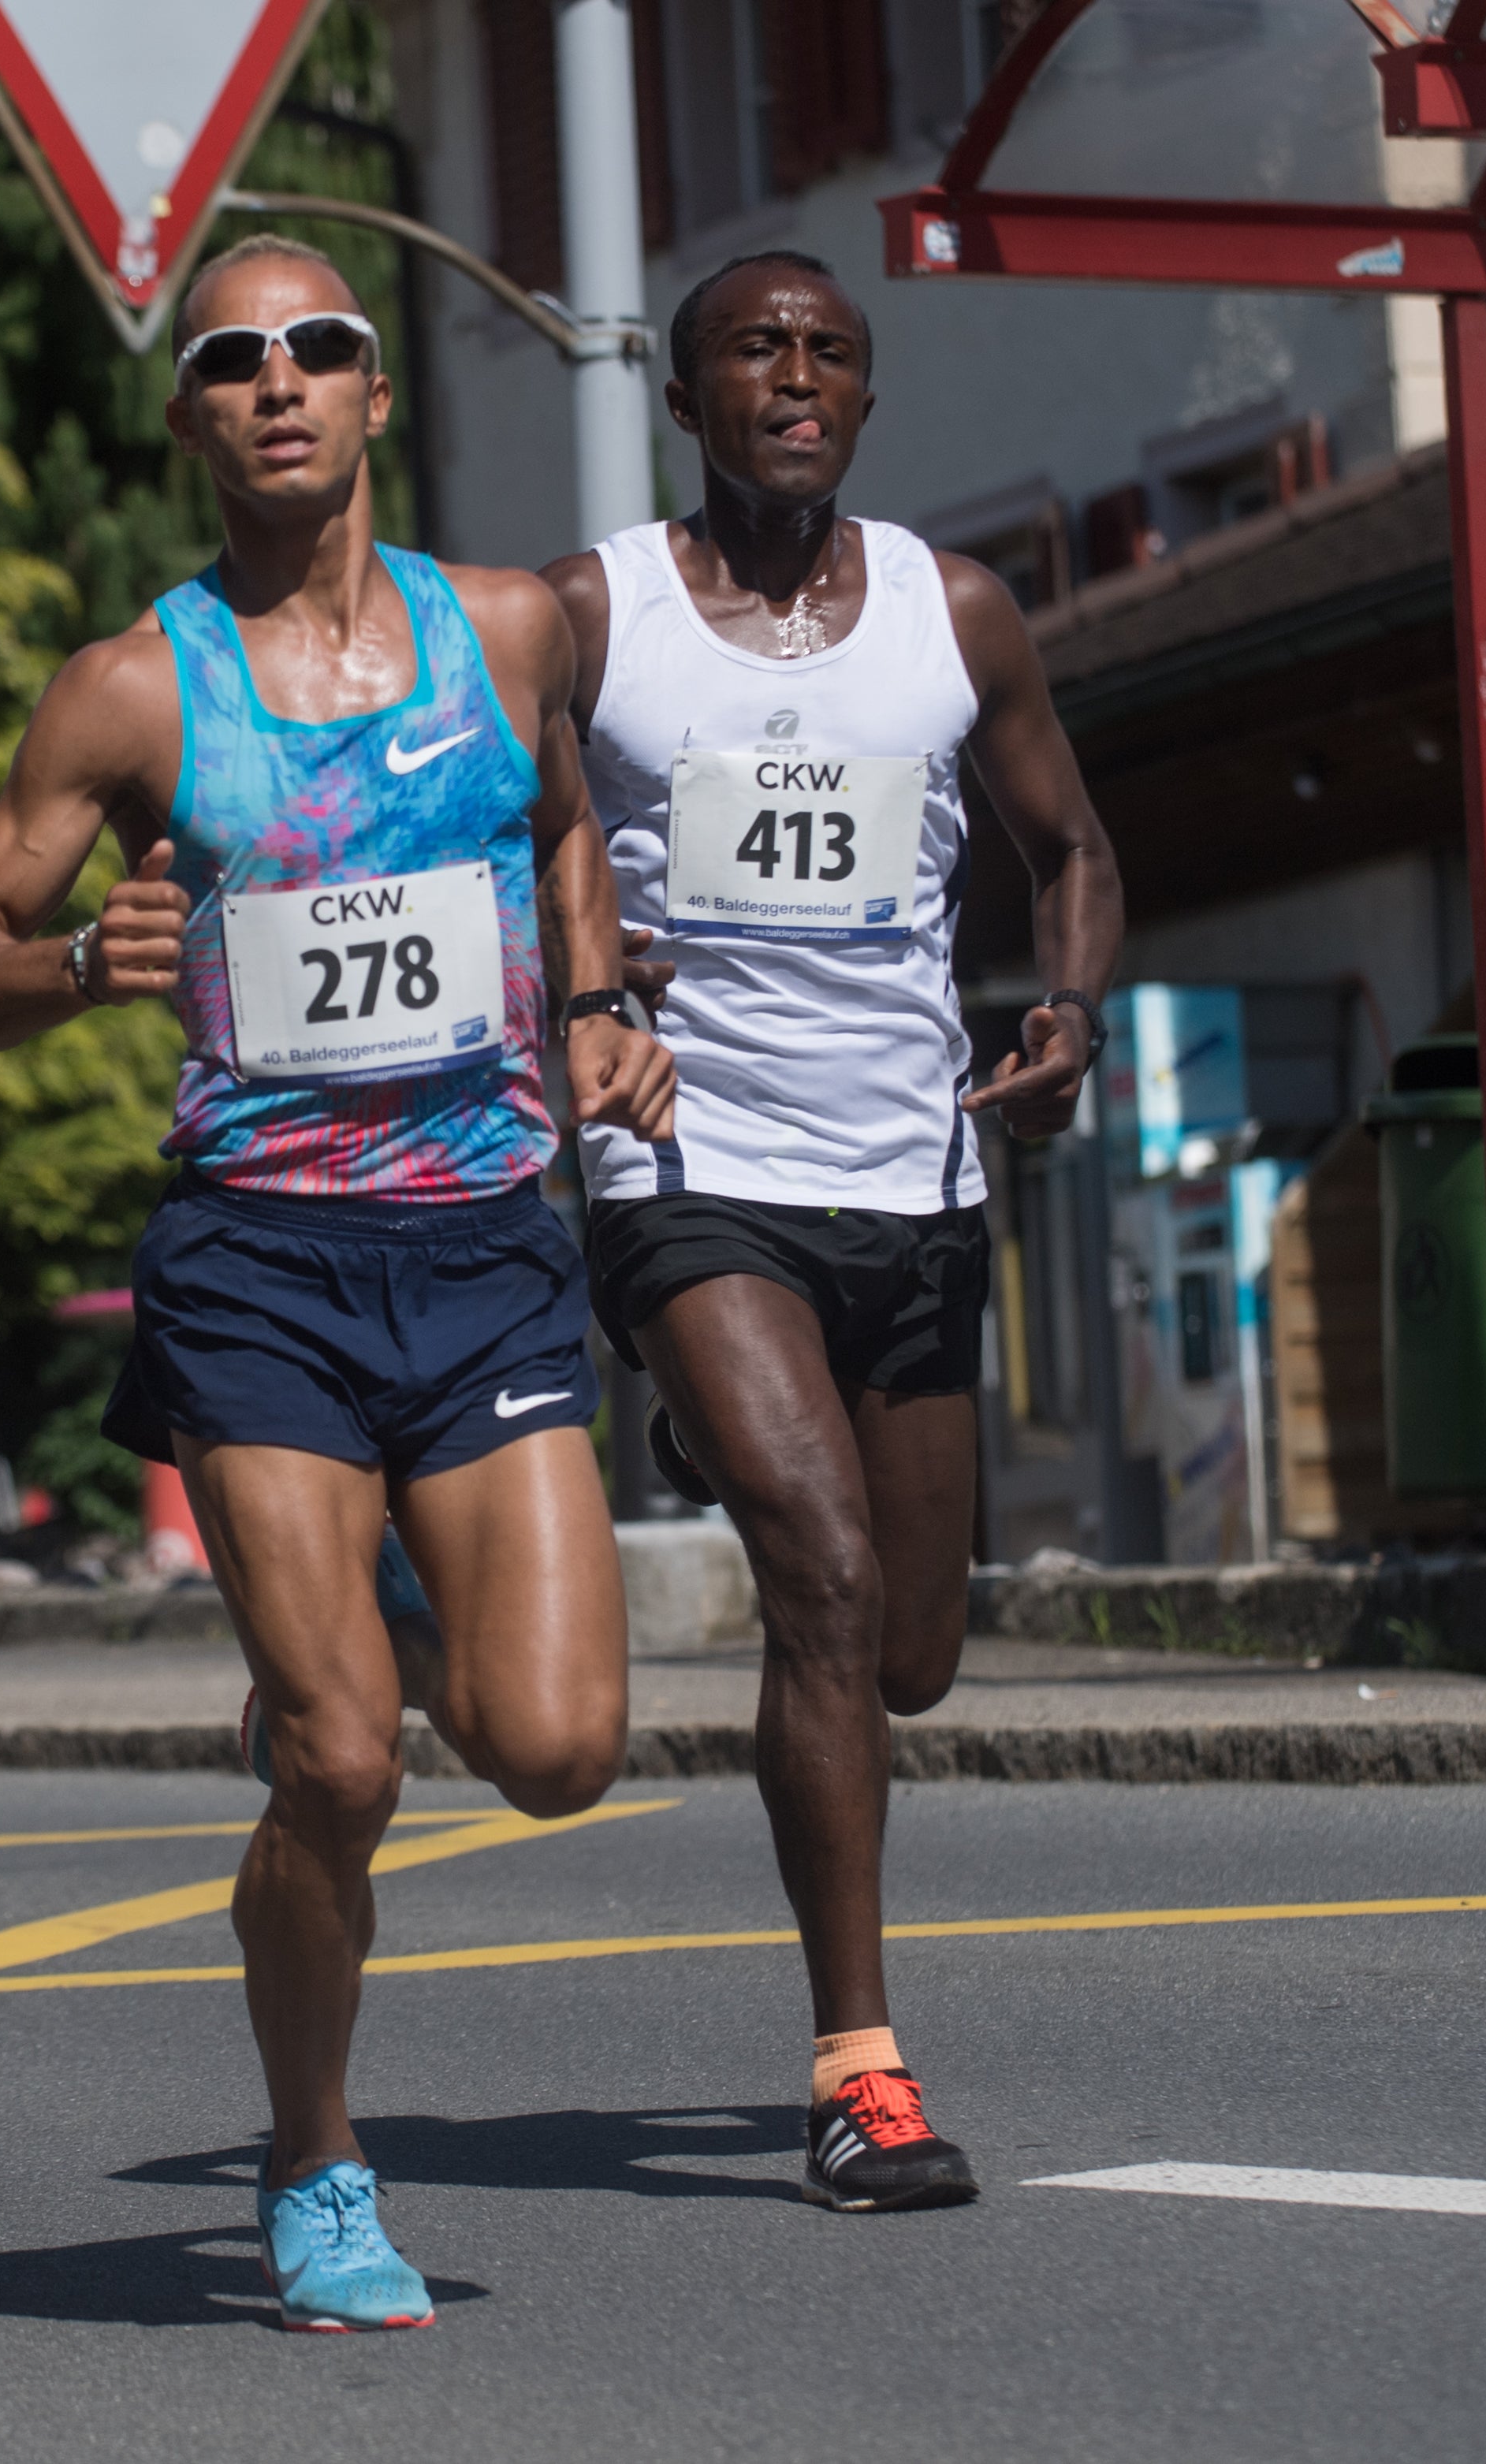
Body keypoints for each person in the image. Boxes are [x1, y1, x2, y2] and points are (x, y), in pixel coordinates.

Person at [0, 234, 675, 2331]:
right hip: (260, 1263)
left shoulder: (505, 630)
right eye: (228, 359)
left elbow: (568, 826)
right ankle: (317, 2154)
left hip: (491, 1239)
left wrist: (592, 998)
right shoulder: (135, 688)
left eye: (316, 347)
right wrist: (67, 965)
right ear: (190, 418)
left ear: (374, 395)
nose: (277, 383)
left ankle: (392, 1605)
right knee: (336, 1759)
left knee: (559, 1746)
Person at [540, 250, 1122, 2213]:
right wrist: (588, 993)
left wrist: (1064, 1006)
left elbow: (1073, 851)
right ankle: (858, 2071)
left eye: (827, 354)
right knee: (819, 1570)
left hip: (911, 1178)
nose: (792, 377)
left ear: (862, 402)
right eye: (752, 351)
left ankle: (718, 1428)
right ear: (687, 397)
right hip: (691, 1172)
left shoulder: (951, 614)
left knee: (912, 1652)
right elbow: (499, 840)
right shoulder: (587, 616)